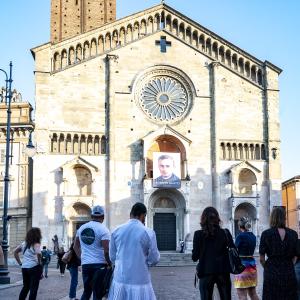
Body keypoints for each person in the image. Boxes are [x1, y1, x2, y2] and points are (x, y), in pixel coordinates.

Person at [108, 202, 160, 300]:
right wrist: (145, 262)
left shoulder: (116, 231)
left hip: (121, 277)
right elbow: (154, 259)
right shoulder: (148, 233)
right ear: (143, 215)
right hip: (140, 278)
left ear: (130, 214)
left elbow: (112, 257)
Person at [192, 206, 234, 300]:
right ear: (217, 218)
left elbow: (194, 257)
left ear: (203, 218)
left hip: (205, 272)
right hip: (223, 271)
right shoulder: (225, 233)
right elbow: (233, 250)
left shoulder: (198, 234)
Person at [259, 206, 298, 300]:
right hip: (288, 269)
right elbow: (296, 256)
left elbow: (261, 258)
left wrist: (268, 267)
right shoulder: (293, 234)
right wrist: (289, 264)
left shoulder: (266, 234)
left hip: (271, 270)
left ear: (272, 218)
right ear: (284, 218)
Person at [74, 205, 111, 300]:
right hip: (99, 265)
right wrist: (110, 263)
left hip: (86, 264)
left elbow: (75, 247)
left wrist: (82, 258)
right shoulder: (104, 230)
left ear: (91, 216)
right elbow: (106, 250)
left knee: (87, 291)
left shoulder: (81, 228)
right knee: (97, 293)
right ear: (103, 217)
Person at [14, 227, 43, 300]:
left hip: (24, 268)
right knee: (33, 289)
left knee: (25, 287)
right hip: (34, 267)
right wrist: (39, 264)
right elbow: (39, 254)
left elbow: (15, 252)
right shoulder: (36, 244)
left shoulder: (24, 243)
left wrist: (20, 263)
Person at [234, 217, 259, 300]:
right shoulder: (253, 236)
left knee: (242, 295)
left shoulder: (240, 237)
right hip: (252, 266)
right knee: (253, 293)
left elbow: (234, 250)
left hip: (242, 266)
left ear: (239, 226)